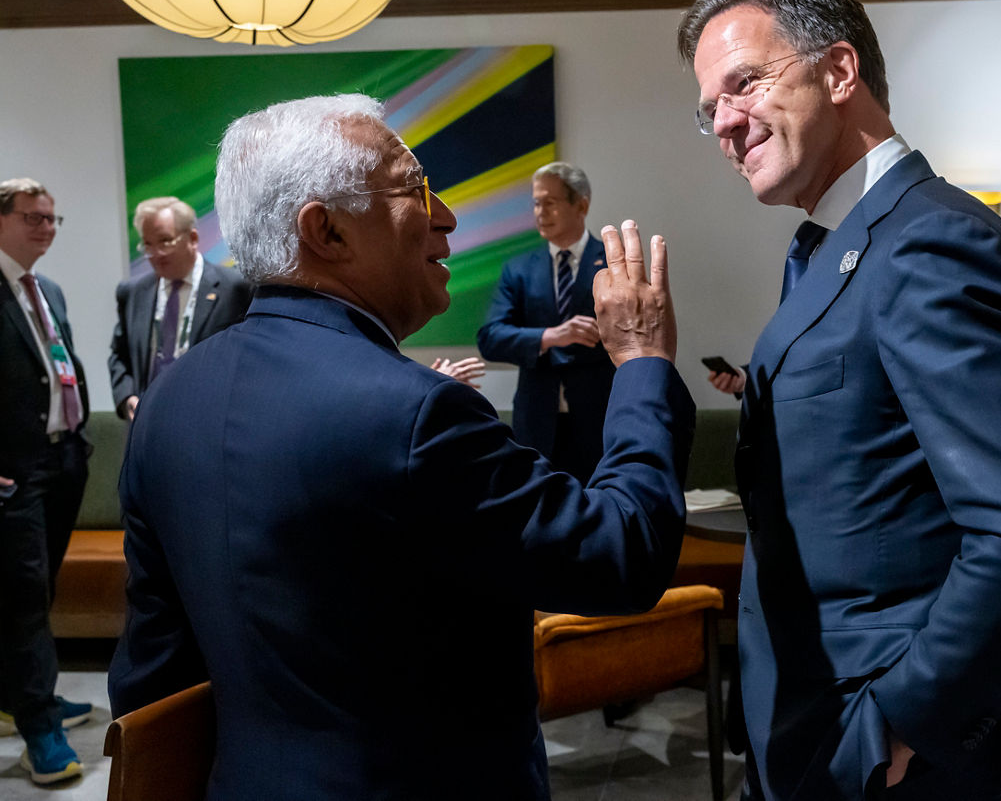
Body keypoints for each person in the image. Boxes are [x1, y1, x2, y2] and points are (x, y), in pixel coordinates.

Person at [107, 94, 692, 801]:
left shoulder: (169, 402)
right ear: (326, 230)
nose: (445, 215)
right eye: (413, 187)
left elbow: (154, 675)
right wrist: (643, 362)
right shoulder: (415, 413)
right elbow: (620, 556)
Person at [677, 0, 1001, 800]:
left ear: (839, 73)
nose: (724, 123)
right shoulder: (836, 247)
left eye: (745, 83)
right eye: (709, 108)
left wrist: (900, 722)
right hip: (817, 714)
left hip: (887, 746)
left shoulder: (930, 244)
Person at [0, 177, 92, 785]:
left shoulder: (46, 288)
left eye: (53, 219)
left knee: (41, 588)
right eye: (34, 217)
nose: (47, 229)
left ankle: (30, 694)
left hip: (63, 460)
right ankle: (39, 729)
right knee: (25, 597)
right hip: (13, 472)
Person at [476, 162, 615, 483]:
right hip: (536, 422)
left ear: (581, 204)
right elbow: (490, 338)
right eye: (536, 203)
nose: (540, 212)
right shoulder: (520, 269)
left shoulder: (612, 263)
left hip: (600, 418)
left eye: (549, 202)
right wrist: (551, 336)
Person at [108, 196, 254, 420]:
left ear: (192, 238)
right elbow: (119, 356)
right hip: (147, 423)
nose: (155, 254)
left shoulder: (236, 288)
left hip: (208, 423)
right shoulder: (133, 292)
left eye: (165, 241)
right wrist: (126, 397)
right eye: (147, 244)